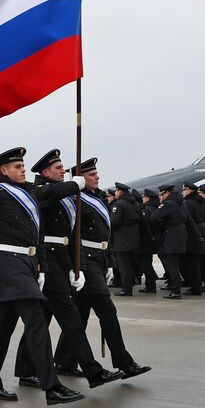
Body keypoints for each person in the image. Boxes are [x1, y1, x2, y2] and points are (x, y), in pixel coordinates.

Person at [0, 148, 85, 405]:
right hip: (7, 266)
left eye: (23, 165)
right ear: (4, 171)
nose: (23, 169)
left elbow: (37, 235)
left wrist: (42, 267)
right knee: (36, 319)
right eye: (17, 166)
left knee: (2, 327)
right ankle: (52, 386)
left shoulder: (26, 194)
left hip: (26, 266)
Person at [11, 149, 124, 391]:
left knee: (40, 320)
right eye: (58, 168)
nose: (63, 170)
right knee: (70, 319)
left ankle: (27, 370)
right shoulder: (39, 190)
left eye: (63, 167)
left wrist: (78, 267)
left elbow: (74, 236)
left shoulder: (65, 195)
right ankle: (93, 371)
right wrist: (74, 184)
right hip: (47, 263)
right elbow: (49, 195)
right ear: (45, 172)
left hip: (61, 262)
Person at [51, 159, 152, 380]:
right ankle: (125, 363)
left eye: (97, 174)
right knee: (108, 312)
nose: (97, 177)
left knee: (79, 315)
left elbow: (103, 235)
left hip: (98, 259)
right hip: (85, 262)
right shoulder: (75, 200)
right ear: (79, 179)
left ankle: (64, 361)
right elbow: (71, 234)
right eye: (91, 175)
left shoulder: (96, 198)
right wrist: (75, 267)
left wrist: (108, 263)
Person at [150, 184, 187, 298]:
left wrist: (161, 209)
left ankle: (176, 291)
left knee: (172, 265)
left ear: (166, 193)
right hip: (181, 234)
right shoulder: (181, 203)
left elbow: (154, 216)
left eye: (161, 195)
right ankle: (176, 288)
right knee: (175, 263)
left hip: (172, 236)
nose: (160, 197)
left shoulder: (168, 204)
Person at [109, 182, 140, 297]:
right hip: (133, 239)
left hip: (122, 240)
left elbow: (114, 222)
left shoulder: (119, 204)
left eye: (116, 191)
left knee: (123, 266)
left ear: (120, 192)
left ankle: (126, 289)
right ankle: (129, 284)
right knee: (129, 264)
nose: (115, 193)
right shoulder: (135, 204)